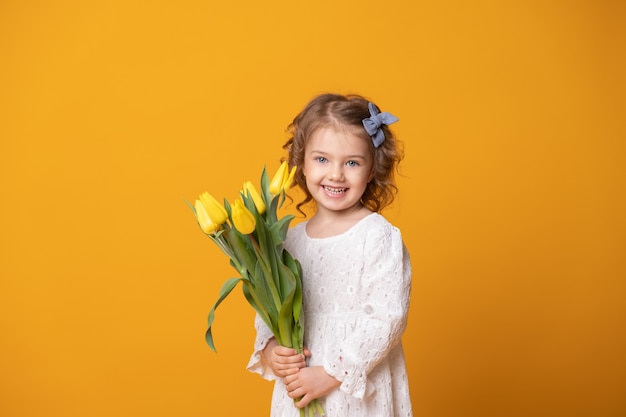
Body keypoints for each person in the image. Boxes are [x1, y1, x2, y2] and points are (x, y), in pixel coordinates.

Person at [247, 93, 413, 416]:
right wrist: (270, 348)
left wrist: (330, 374)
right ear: (302, 163)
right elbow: (271, 307)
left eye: (351, 162)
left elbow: (387, 318)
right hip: (300, 388)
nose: (336, 174)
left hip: (354, 388)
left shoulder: (377, 237)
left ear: (372, 169)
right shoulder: (288, 241)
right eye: (322, 159)